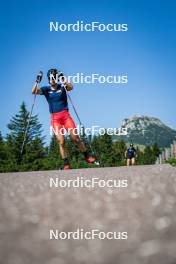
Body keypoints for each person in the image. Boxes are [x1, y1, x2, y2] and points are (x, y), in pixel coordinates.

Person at [32, 69, 96, 170]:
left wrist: (62, 77)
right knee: (61, 141)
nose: (52, 79)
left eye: (54, 77)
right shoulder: (46, 89)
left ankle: (87, 156)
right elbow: (34, 91)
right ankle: (66, 163)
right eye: (51, 78)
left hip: (65, 116)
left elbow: (70, 87)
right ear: (48, 79)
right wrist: (37, 80)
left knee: (75, 138)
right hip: (55, 119)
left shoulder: (62, 88)